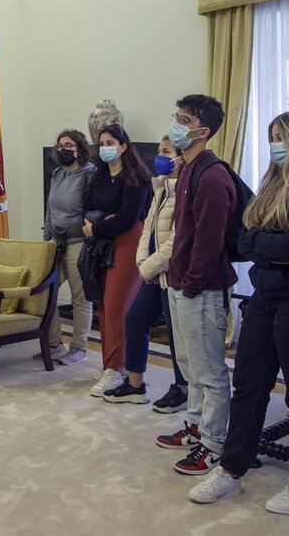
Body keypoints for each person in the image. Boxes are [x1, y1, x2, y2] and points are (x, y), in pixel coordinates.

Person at [187, 110, 289, 514]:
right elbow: (243, 240)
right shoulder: (273, 182)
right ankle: (231, 469)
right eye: (272, 136)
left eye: (282, 137)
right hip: (265, 296)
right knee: (248, 385)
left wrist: (269, 245)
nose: (275, 144)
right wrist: (274, 247)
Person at [154, 94, 236, 476]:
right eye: (177, 117)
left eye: (184, 120)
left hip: (201, 288)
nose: (176, 125)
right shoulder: (187, 168)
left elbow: (209, 240)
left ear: (203, 131)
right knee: (189, 366)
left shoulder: (213, 176)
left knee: (209, 371)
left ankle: (214, 444)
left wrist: (190, 284)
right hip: (180, 283)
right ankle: (196, 425)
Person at [102, 137, 188, 411]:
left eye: (166, 151)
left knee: (176, 334)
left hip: (171, 274)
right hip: (151, 271)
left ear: (181, 157)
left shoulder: (187, 189)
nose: (159, 156)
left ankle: (182, 389)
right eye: (159, 150)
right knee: (135, 319)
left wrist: (150, 267)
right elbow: (147, 226)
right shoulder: (160, 186)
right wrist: (142, 263)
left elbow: (178, 240)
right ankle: (135, 384)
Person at [81, 123, 152, 397]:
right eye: (102, 144)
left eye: (110, 143)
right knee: (102, 303)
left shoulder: (136, 178)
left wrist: (98, 225)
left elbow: (128, 218)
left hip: (127, 241)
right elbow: (87, 209)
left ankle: (116, 367)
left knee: (116, 305)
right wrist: (102, 222)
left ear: (123, 147)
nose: (105, 148)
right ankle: (110, 365)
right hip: (101, 242)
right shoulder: (97, 177)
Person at [39, 129, 96, 366]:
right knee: (45, 292)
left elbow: (90, 211)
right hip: (56, 242)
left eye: (69, 145)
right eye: (60, 146)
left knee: (79, 297)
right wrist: (47, 239)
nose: (64, 149)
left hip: (77, 243)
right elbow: (50, 208)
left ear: (80, 148)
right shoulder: (58, 173)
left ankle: (79, 347)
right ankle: (54, 344)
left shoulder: (89, 174)